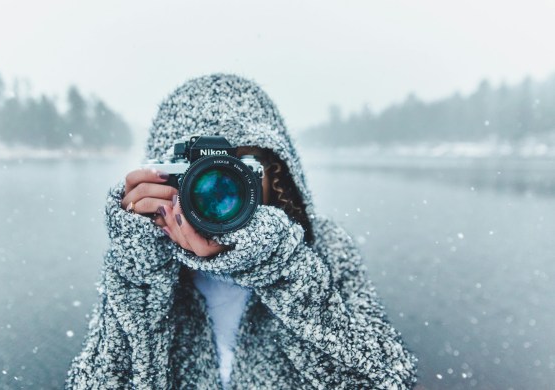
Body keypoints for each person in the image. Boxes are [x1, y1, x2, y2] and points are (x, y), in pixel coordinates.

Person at [65, 74, 418, 389]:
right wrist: (140, 273)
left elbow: (386, 378)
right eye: (196, 174)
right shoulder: (145, 262)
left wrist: (282, 266)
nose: (218, 191)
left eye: (239, 170)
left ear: (276, 175)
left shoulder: (324, 248)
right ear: (163, 176)